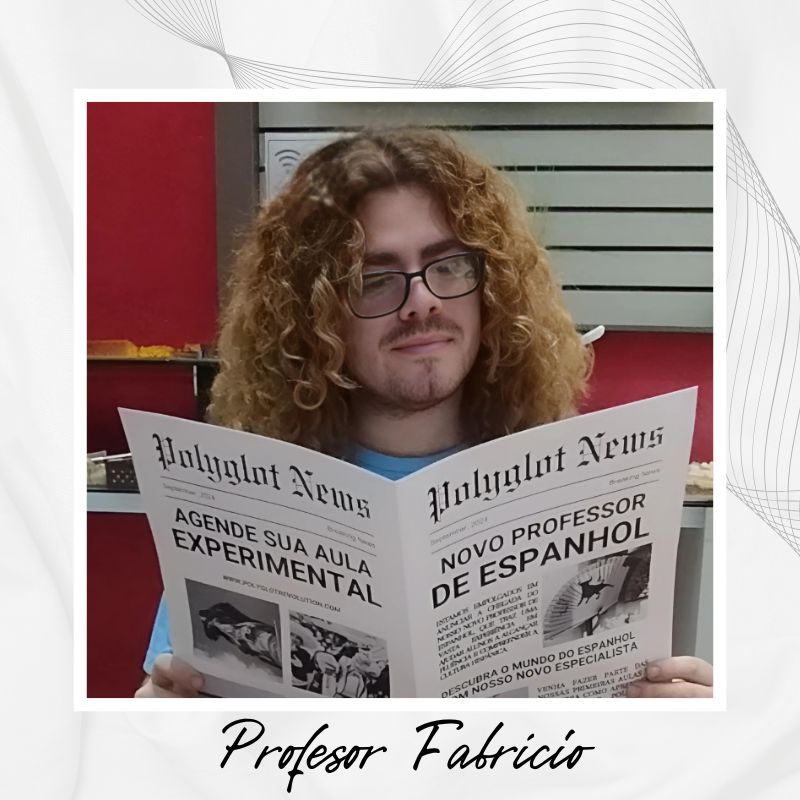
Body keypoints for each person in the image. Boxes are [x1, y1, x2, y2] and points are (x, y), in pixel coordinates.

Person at [135, 128, 712, 699]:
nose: (423, 301)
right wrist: (156, 723)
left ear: (491, 289)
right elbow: (179, 714)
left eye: (449, 265)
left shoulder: (584, 487)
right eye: (374, 279)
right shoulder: (247, 500)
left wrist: (691, 726)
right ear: (315, 315)